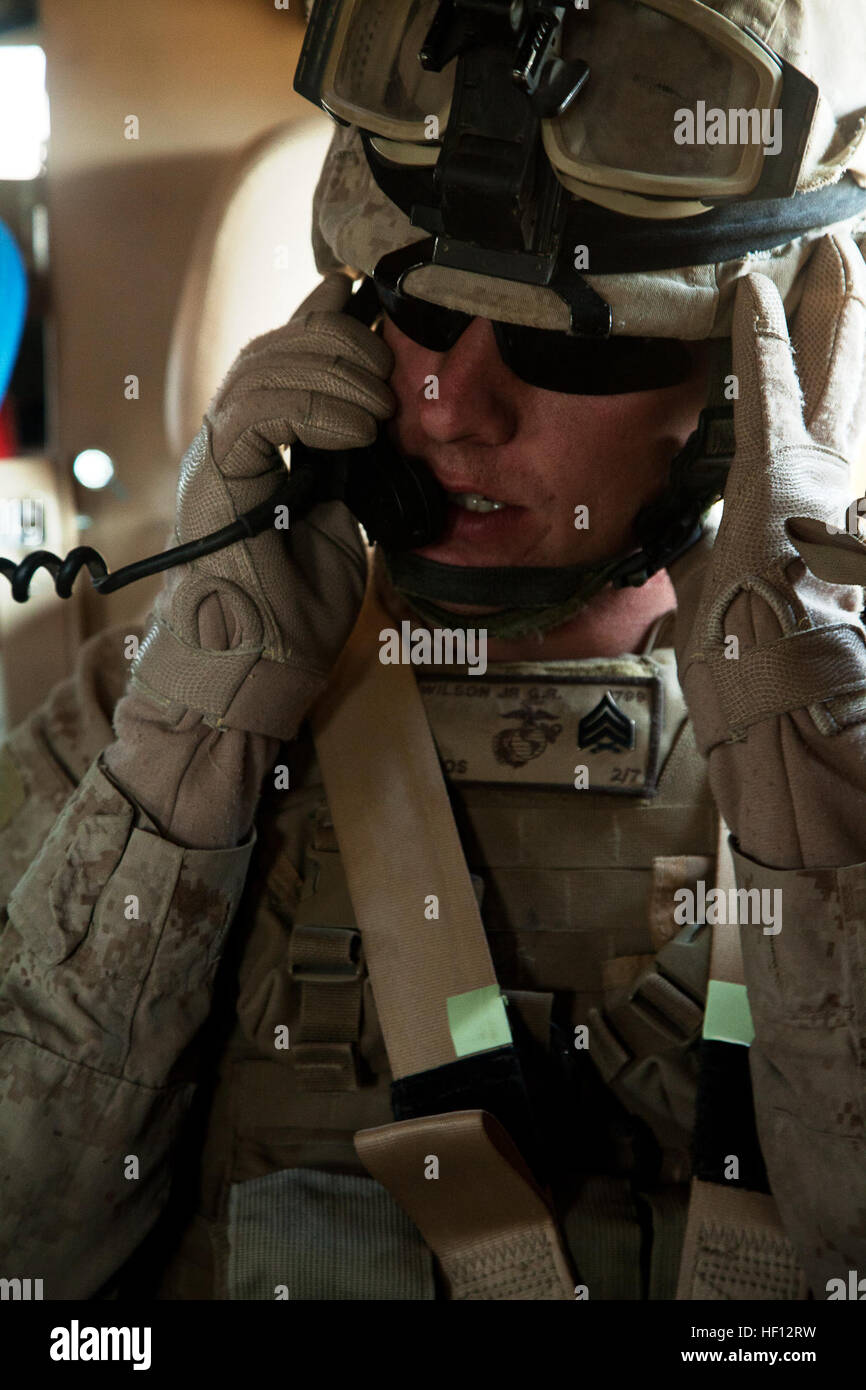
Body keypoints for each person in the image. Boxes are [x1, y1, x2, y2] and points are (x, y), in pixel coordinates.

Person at [3, 0, 866, 1301]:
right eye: (411, 309)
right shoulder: (150, 713)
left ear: (747, 382)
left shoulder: (838, 749)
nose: (451, 410)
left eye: (561, 338)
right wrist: (193, 745)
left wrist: (812, 795)